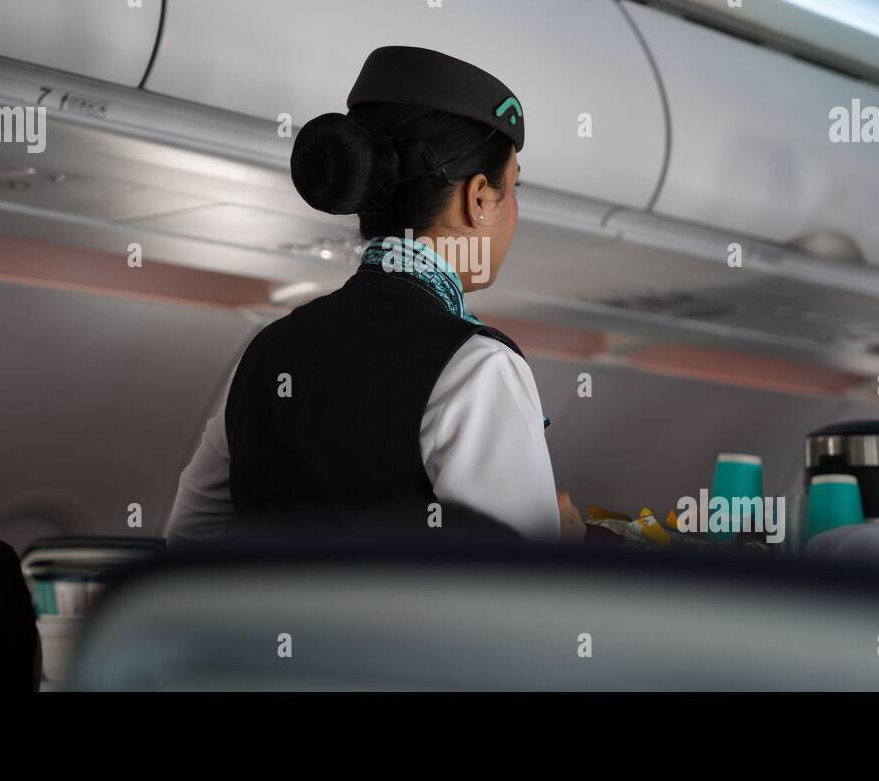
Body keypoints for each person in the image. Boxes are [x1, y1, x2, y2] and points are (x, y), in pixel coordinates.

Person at [167, 46, 585, 545]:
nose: (515, 211)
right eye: (513, 187)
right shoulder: (477, 366)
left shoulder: (268, 350)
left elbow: (188, 543)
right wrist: (561, 547)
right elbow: (512, 602)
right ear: (478, 199)